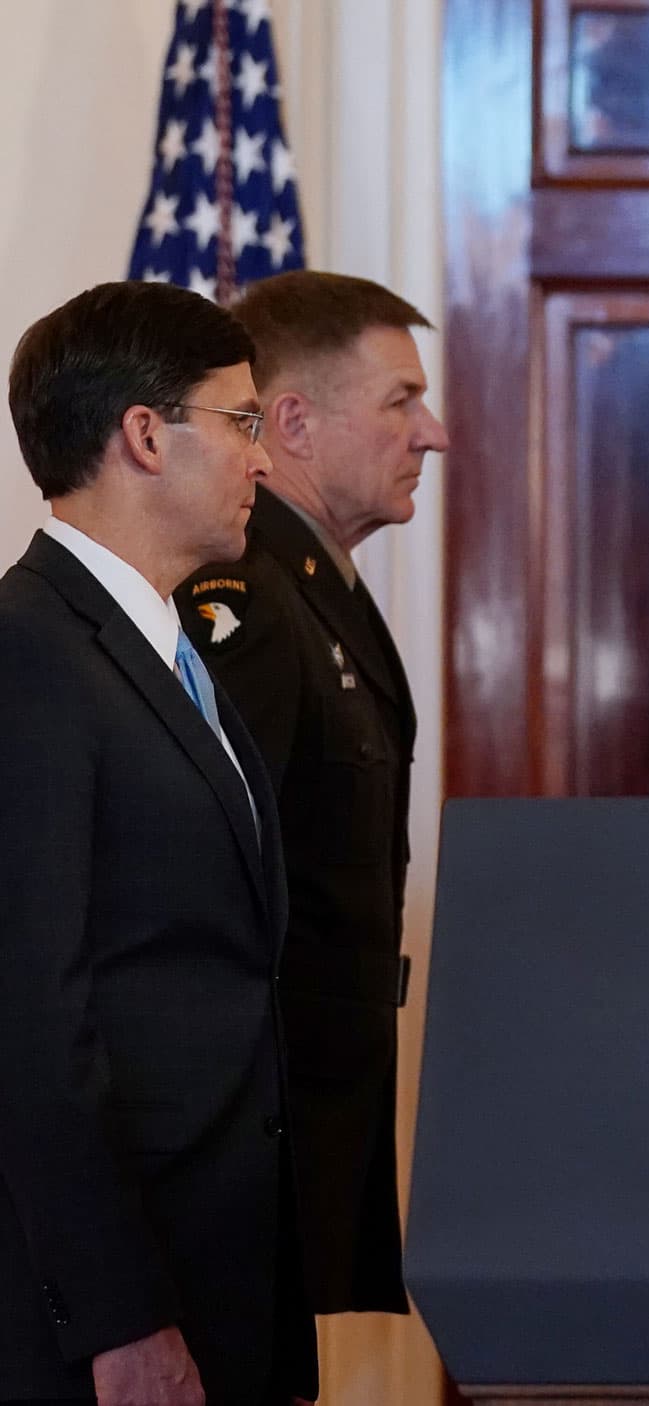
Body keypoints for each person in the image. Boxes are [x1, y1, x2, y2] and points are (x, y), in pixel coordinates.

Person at [0, 281, 314, 1403]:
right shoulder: (29, 652)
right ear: (144, 434)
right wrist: (120, 1314)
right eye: (241, 421)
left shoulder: (165, 649)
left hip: (219, 1265)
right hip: (117, 1313)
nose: (262, 460)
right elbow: (31, 1015)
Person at [178, 271, 447, 1317]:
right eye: (400, 400)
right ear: (292, 422)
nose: (431, 433)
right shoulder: (246, 594)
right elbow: (209, 877)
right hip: (257, 1119)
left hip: (315, 1106)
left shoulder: (316, 589)